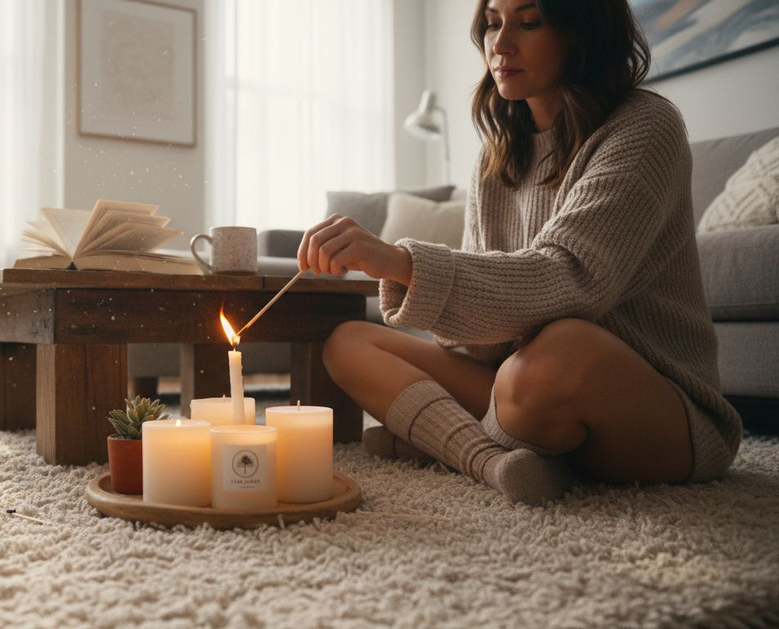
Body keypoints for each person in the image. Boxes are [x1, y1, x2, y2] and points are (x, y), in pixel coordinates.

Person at [297, 0, 741, 504]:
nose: (499, 44)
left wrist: (401, 262)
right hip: (520, 390)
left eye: (528, 23)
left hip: (651, 406)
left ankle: (439, 437)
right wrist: (468, 326)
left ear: (582, 34)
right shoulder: (497, 155)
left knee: (557, 354)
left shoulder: (646, 126)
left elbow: (572, 277)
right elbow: (485, 348)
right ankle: (494, 462)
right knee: (349, 342)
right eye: (491, 23)